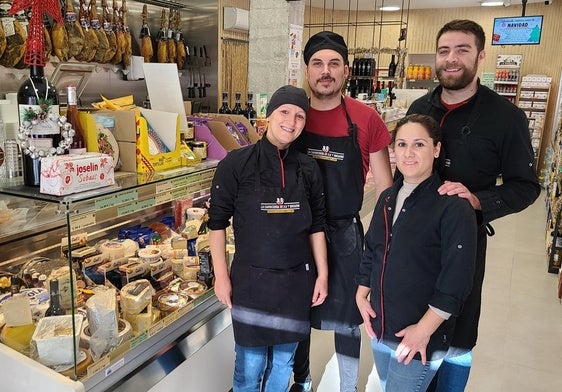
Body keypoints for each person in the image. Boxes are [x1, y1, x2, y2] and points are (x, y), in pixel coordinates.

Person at [406, 20, 541, 391]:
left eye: (462, 50)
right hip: (414, 242)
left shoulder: (506, 117)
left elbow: (526, 187)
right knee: (413, 324)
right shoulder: (420, 108)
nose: (451, 59)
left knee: (458, 332)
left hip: (465, 242)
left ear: (481, 56)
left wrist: (478, 198)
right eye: (444, 50)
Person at [290, 31, 393, 392]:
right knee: (296, 315)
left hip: (346, 235)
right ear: (306, 70)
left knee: (351, 316)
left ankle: (348, 386)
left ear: (347, 70)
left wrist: (383, 247)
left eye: (334, 63)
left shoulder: (366, 119)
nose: (325, 71)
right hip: (296, 234)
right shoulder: (292, 118)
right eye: (318, 63)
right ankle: (300, 381)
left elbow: (386, 192)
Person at [208, 85, 329, 392]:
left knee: (284, 365)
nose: (292, 121)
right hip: (251, 285)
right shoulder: (235, 164)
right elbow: (217, 224)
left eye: (300, 115)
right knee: (249, 369)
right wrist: (221, 278)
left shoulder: (308, 168)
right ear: (269, 114)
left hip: (295, 283)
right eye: (285, 112)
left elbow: (317, 225)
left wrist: (323, 275)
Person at [355, 114, 477, 392]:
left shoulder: (453, 207)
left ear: (436, 149)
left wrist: (422, 332)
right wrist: (361, 292)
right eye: (401, 144)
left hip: (419, 335)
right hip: (382, 327)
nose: (408, 153)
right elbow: (373, 248)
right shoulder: (387, 198)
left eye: (419, 144)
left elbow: (456, 281)